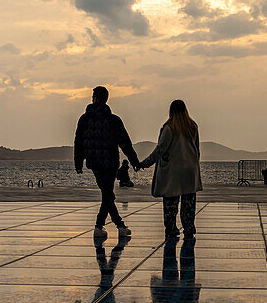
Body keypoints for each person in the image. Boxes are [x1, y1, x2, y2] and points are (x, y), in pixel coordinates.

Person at [74, 85, 139, 238]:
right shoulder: (113, 120)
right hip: (110, 162)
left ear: (95, 98)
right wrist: (134, 160)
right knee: (108, 194)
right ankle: (118, 226)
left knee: (107, 195)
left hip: (95, 162)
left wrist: (78, 161)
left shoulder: (84, 119)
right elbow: (125, 142)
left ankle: (100, 227)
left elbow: (78, 142)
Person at [139, 99, 202, 238]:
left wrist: (145, 163)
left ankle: (171, 229)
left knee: (170, 204)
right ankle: (189, 228)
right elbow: (197, 150)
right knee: (189, 204)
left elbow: (160, 149)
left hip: (172, 171)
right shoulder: (193, 126)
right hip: (189, 171)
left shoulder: (169, 128)